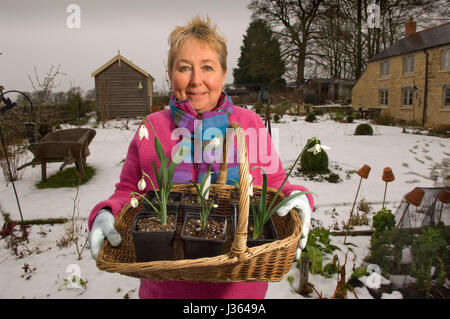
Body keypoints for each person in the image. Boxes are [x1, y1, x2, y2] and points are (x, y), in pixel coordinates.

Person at [88, 16, 313, 299]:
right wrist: (107, 212)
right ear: (170, 75)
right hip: (166, 291)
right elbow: (129, 192)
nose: (196, 80)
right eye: (184, 68)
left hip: (241, 293)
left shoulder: (249, 123)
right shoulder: (153, 128)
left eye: (207, 67)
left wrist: (300, 198)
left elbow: (278, 185)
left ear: (222, 74)